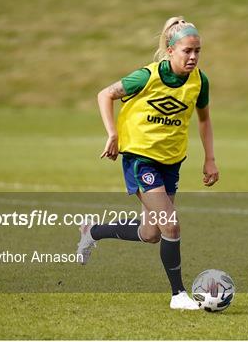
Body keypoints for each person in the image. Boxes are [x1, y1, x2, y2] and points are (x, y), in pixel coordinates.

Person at [77, 16, 219, 310]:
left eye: (197, 51)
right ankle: (178, 295)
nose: (193, 57)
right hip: (141, 159)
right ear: (170, 50)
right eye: (187, 51)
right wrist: (113, 134)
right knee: (172, 225)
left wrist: (210, 159)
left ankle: (92, 231)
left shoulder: (199, 81)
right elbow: (105, 94)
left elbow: (204, 120)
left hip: (171, 162)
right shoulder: (147, 76)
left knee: (152, 233)